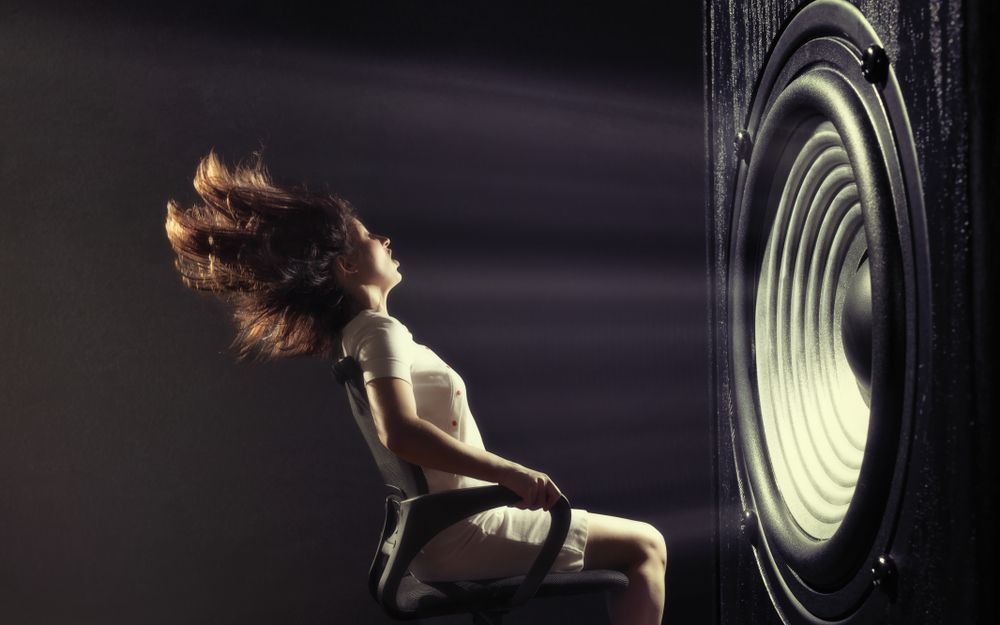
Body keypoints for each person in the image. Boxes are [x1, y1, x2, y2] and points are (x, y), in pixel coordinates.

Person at [164, 151, 667, 625]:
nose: (384, 241)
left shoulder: (360, 335)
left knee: (641, 543)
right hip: (467, 533)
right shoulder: (376, 332)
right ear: (348, 266)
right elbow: (400, 432)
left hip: (442, 533)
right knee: (647, 545)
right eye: (368, 238)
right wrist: (514, 475)